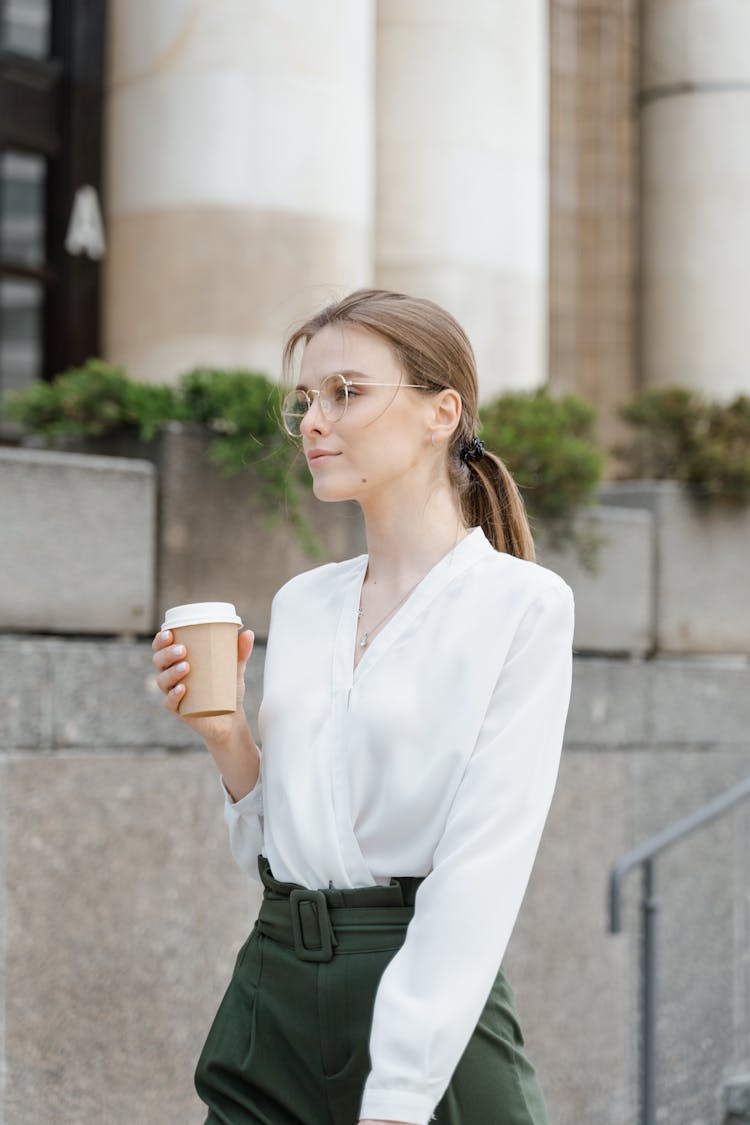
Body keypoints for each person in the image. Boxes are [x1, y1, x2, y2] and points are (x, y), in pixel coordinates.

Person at [151, 289, 575, 1125]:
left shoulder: (522, 605)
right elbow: (285, 850)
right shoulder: (305, 602)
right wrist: (226, 734)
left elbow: (480, 871)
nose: (314, 420)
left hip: (425, 998)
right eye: (305, 399)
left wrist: (399, 1096)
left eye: (346, 392)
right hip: (273, 987)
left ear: (440, 412)